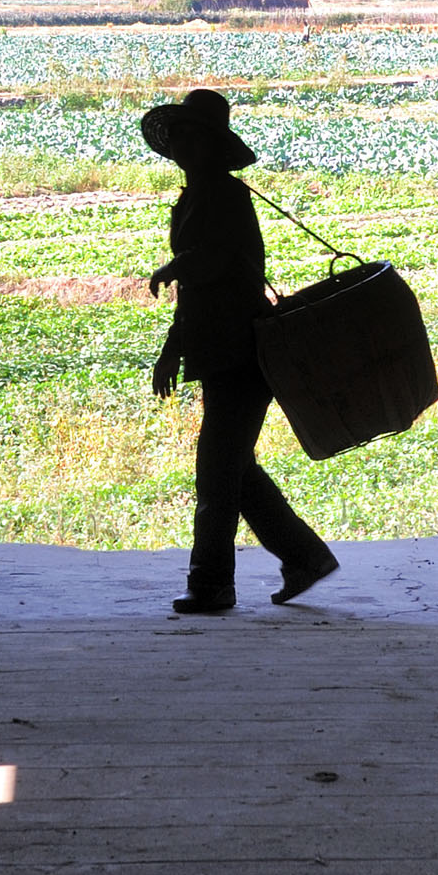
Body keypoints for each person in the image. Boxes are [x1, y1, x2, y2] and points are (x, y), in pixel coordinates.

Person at [141, 88, 340, 616]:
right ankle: (305, 557)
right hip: (220, 350)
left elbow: (224, 261)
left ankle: (211, 585)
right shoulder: (197, 196)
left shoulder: (226, 197)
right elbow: (197, 294)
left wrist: (178, 265)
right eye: (178, 134)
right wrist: (171, 351)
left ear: (208, 144)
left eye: (189, 134)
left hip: (242, 352)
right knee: (233, 468)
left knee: (217, 468)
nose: (181, 142)